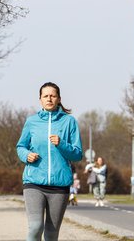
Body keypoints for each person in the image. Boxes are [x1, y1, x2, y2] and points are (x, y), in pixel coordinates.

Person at [16, 82, 83, 241]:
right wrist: (26, 155)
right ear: (40, 99)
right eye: (45, 96)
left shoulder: (69, 122)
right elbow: (20, 147)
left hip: (59, 186)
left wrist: (61, 144)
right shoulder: (32, 122)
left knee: (52, 234)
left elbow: (77, 154)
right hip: (34, 182)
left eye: (53, 96)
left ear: (59, 99)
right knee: (35, 226)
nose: (49, 99)